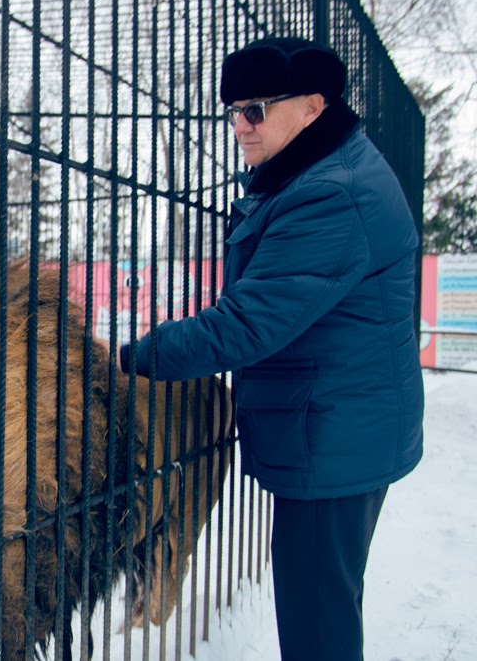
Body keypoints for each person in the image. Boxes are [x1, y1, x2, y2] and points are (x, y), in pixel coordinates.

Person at [120, 37, 424, 661]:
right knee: (324, 605)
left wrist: (128, 360)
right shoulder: (320, 171)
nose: (240, 126)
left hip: (334, 437)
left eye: (255, 110)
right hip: (337, 426)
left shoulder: (332, 193)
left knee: (317, 622)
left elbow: (245, 325)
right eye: (233, 111)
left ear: (312, 107)